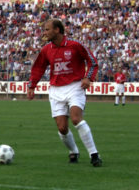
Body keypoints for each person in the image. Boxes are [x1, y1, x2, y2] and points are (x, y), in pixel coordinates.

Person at [27, 19, 102, 167]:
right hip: (56, 90)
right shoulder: (46, 49)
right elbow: (38, 68)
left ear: (57, 30)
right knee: (62, 127)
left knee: (76, 119)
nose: (44, 32)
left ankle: (94, 154)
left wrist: (88, 77)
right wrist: (31, 86)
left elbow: (92, 61)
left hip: (75, 86)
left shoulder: (75, 45)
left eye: (47, 29)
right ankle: (73, 151)